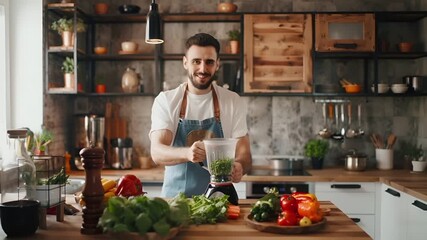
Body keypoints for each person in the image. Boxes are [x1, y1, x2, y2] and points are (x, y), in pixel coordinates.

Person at [149, 33, 252, 198]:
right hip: (175, 201)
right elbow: (157, 152)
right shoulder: (167, 101)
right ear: (185, 62)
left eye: (209, 62)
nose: (203, 69)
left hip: (219, 201)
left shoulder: (232, 101)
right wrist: (187, 153)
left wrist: (240, 166)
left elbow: (244, 153)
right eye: (196, 61)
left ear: (217, 64)